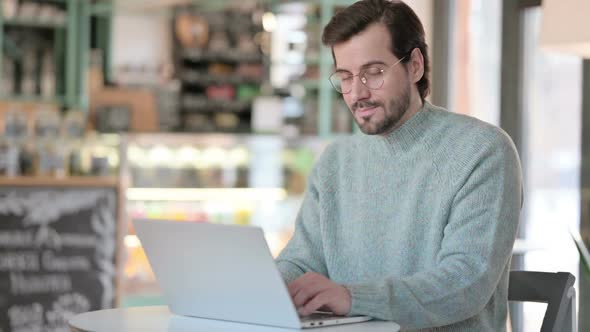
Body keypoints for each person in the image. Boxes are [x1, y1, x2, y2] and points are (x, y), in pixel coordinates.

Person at [275, 0, 523, 330]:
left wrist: (353, 298)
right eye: (346, 77)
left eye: (373, 72)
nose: (356, 93)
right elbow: (302, 261)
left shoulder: (483, 151)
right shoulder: (334, 162)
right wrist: (261, 287)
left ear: (415, 65)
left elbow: (465, 282)